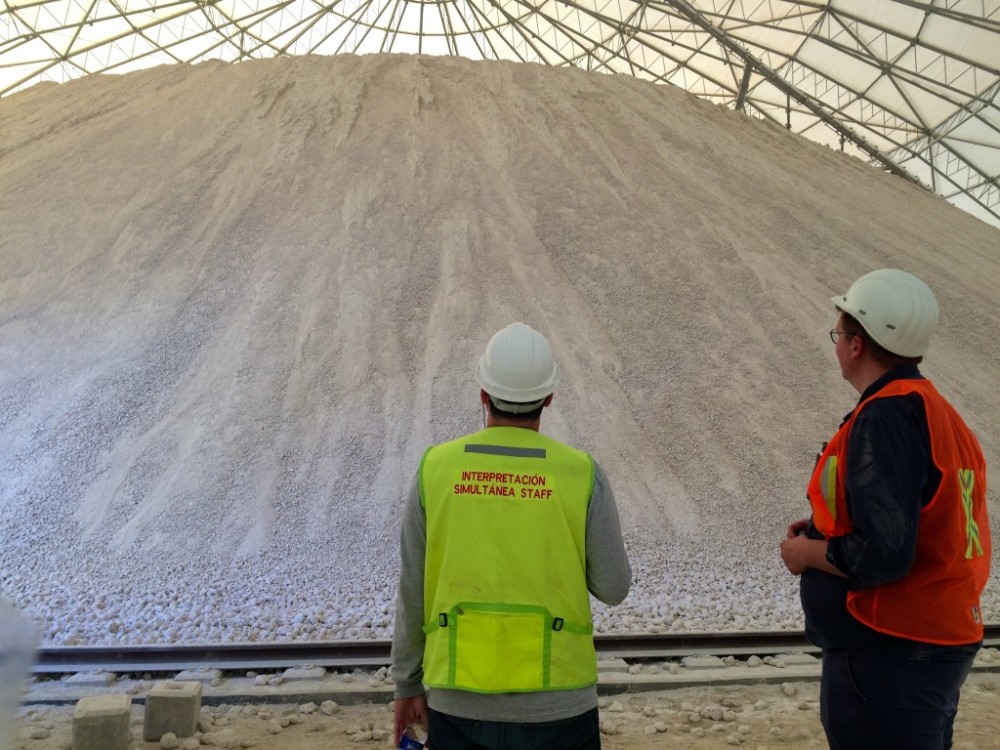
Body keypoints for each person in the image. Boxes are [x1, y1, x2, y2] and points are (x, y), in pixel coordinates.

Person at [391, 322, 632, 750]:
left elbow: (413, 588)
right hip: (560, 707)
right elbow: (613, 587)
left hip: (458, 704)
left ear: (483, 393)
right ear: (549, 397)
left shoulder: (436, 469)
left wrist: (406, 683)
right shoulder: (580, 474)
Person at [780, 268, 991, 750]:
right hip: (929, 639)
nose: (836, 344)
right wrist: (824, 529)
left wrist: (807, 554)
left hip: (889, 649)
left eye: (838, 334)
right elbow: (919, 514)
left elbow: (883, 554)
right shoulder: (932, 409)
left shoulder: (886, 416)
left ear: (856, 344)